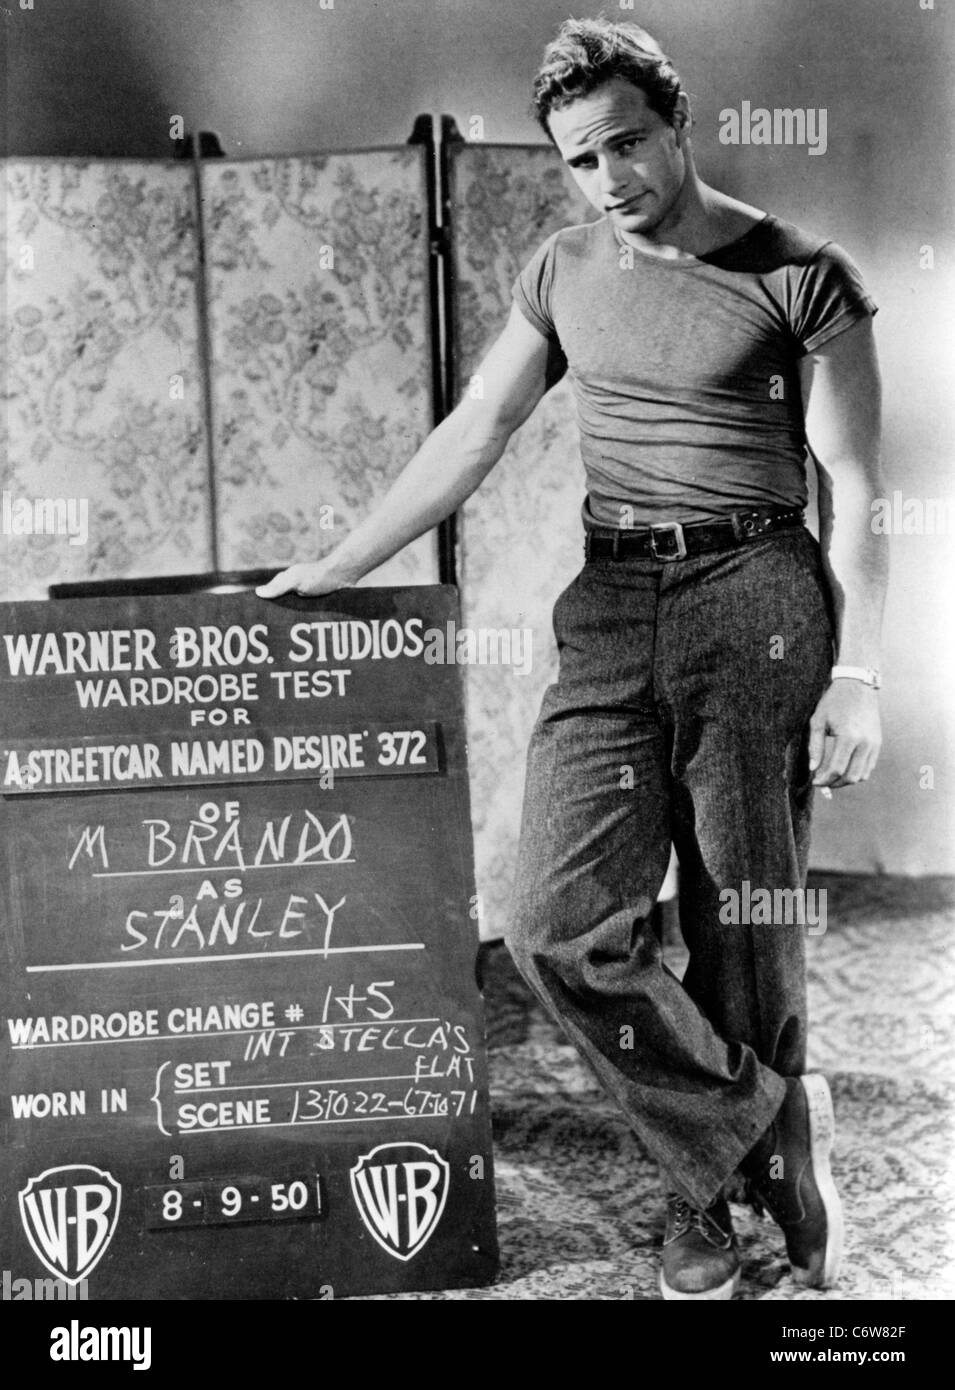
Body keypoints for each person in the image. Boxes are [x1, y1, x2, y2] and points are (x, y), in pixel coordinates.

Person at [258, 16, 887, 1300]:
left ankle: (705, 1201)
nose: (612, 180)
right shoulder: (561, 269)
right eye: (580, 159)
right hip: (609, 598)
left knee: (740, 924)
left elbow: (862, 485)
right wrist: (338, 562)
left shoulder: (801, 272)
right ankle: (763, 1130)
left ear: (679, 121)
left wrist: (857, 674)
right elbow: (474, 430)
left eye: (628, 144)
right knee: (552, 924)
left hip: (758, 595)